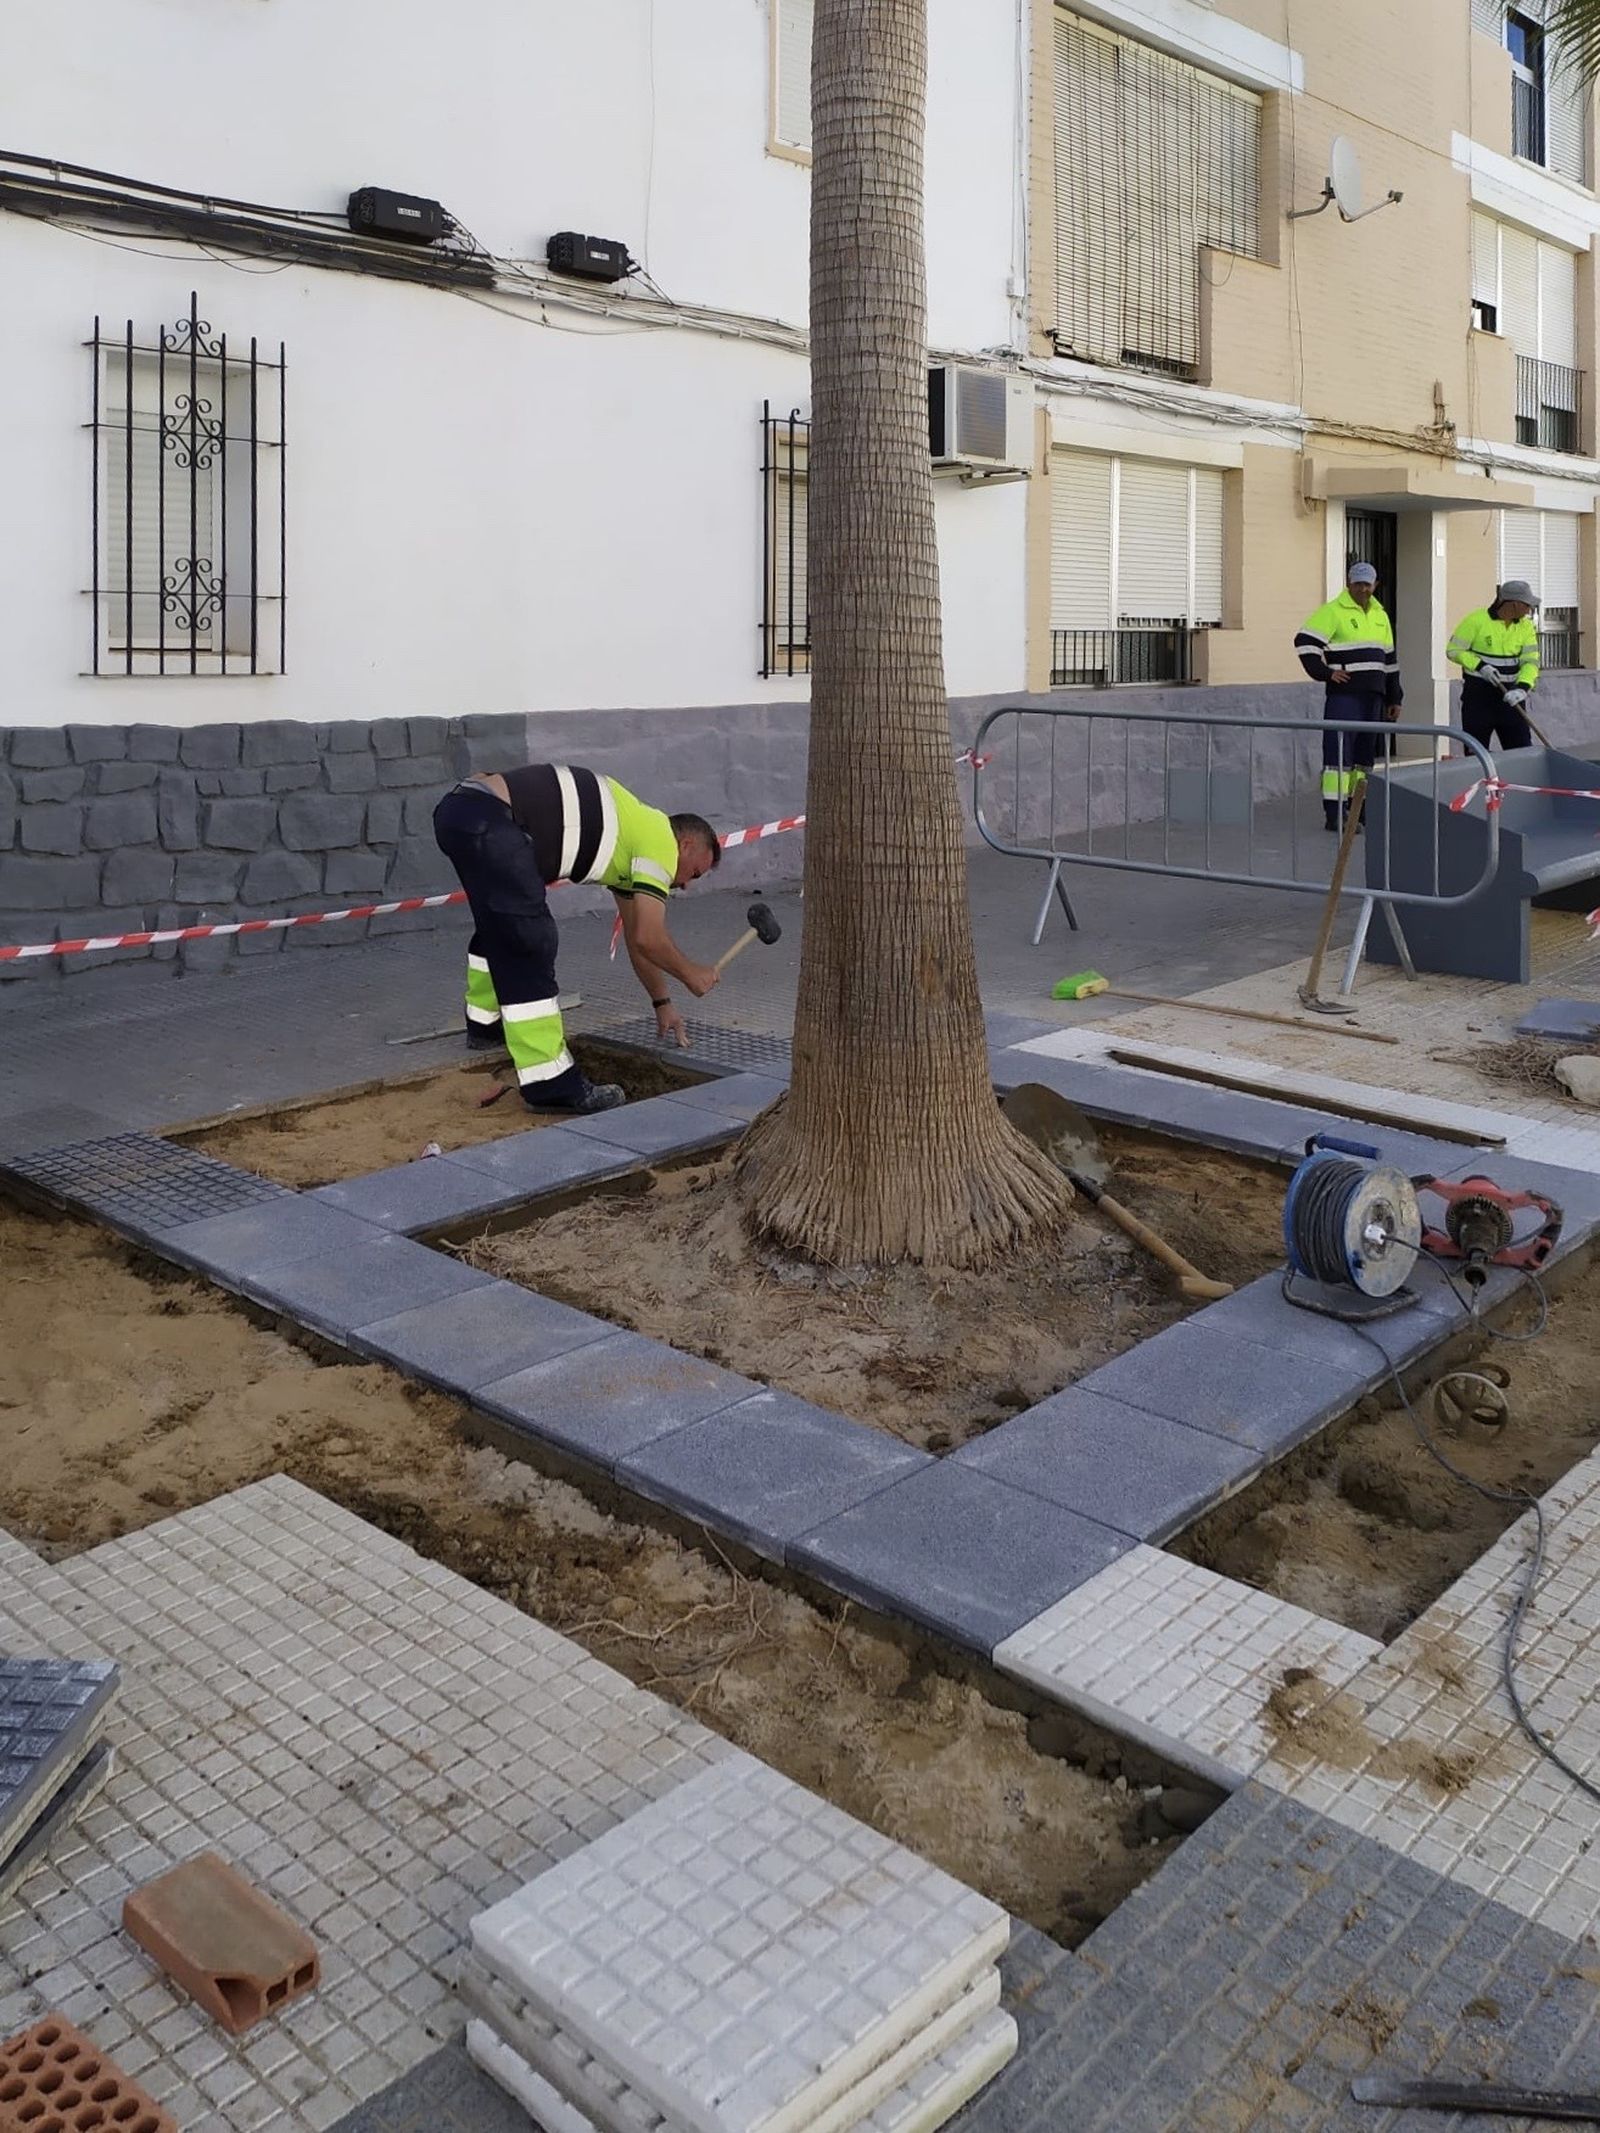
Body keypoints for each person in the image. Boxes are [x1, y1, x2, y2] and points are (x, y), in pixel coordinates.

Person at [433, 763, 722, 1113]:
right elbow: (649, 936)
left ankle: (485, 1025)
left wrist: (663, 1004)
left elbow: (636, 937)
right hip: (489, 817)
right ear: (685, 843)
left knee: (501, 924)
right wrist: (692, 975)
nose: (687, 884)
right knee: (529, 938)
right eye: (693, 872)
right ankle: (549, 1083)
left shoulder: (632, 840)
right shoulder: (660, 840)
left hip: (462, 810)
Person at [1294, 561, 1403, 830]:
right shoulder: (1333, 611)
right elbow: (1304, 641)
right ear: (1349, 584)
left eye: (1368, 584)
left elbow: (1389, 660)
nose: (1363, 589)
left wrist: (1395, 697)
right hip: (1345, 697)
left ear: (1376, 585)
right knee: (1338, 755)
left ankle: (1359, 809)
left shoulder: (1381, 615)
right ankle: (1335, 814)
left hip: (1374, 697)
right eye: (1358, 584)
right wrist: (1325, 673)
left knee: (1364, 759)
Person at [1447, 579, 1540, 753]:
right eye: (1527, 605)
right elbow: (1453, 650)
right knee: (1476, 754)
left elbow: (1531, 662)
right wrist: (1480, 666)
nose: (1529, 610)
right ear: (1513, 604)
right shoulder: (1476, 621)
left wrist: (1522, 688)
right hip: (1478, 699)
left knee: (1521, 753)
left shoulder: (1526, 627)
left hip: (1512, 699)